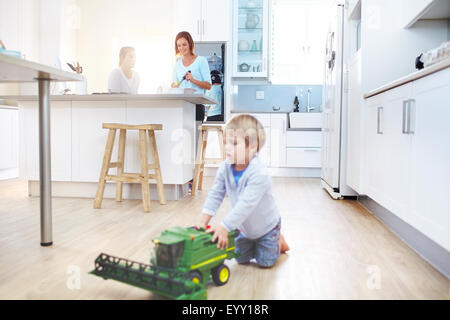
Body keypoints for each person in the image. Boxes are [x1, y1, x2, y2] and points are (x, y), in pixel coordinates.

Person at [196, 114, 290, 268]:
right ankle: (254, 244)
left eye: (233, 143)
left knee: (265, 262)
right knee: (240, 259)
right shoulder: (225, 168)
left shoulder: (259, 173)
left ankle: (277, 239)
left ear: (252, 146)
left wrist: (224, 226)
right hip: (245, 228)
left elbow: (245, 205)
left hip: (267, 227)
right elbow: (215, 194)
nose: (227, 147)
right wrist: (202, 221)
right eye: (226, 142)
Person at [171, 31, 211, 122]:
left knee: (195, 135)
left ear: (190, 44)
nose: (181, 48)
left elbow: (208, 85)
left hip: (197, 105)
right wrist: (174, 86)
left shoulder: (201, 61)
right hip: (181, 106)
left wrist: (193, 80)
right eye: (179, 45)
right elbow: (176, 84)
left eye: (184, 44)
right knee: (181, 135)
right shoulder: (177, 64)